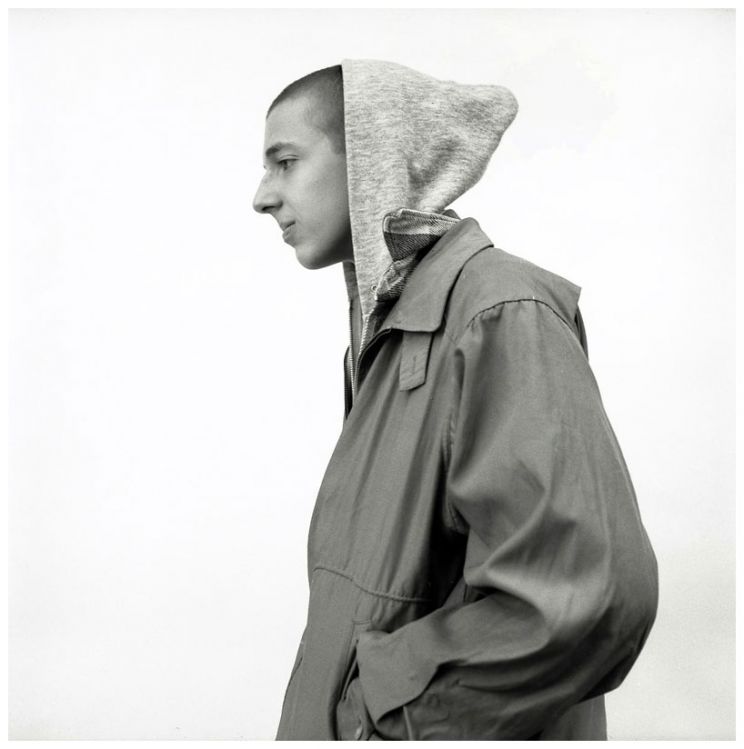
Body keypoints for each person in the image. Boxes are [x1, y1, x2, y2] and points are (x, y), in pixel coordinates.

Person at [252, 59, 658, 741]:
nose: (262, 196)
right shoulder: (391, 337)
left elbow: (582, 598)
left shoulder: (500, 313)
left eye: (285, 162)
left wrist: (377, 720)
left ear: (374, 157)